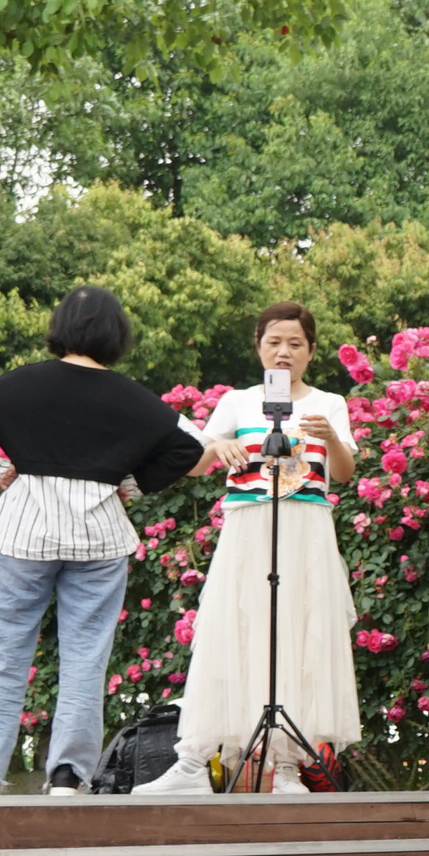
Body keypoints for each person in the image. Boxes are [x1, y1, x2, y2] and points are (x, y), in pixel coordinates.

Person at [0, 288, 222, 798]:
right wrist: (130, 485)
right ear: (117, 335)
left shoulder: (18, 384)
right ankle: (69, 776)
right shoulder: (134, 397)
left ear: (59, 326)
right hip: (100, 535)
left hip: (24, 528)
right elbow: (191, 445)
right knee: (87, 657)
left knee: (3, 649)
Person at [138, 303, 363, 794]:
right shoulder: (238, 402)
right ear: (258, 347)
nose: (284, 353)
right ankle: (194, 762)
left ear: (311, 351)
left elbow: (344, 473)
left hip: (306, 529)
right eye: (274, 343)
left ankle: (284, 766)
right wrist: (220, 449)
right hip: (248, 528)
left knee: (300, 636)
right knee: (231, 630)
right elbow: (194, 462)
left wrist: (332, 440)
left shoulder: (330, 403)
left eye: (295, 344)